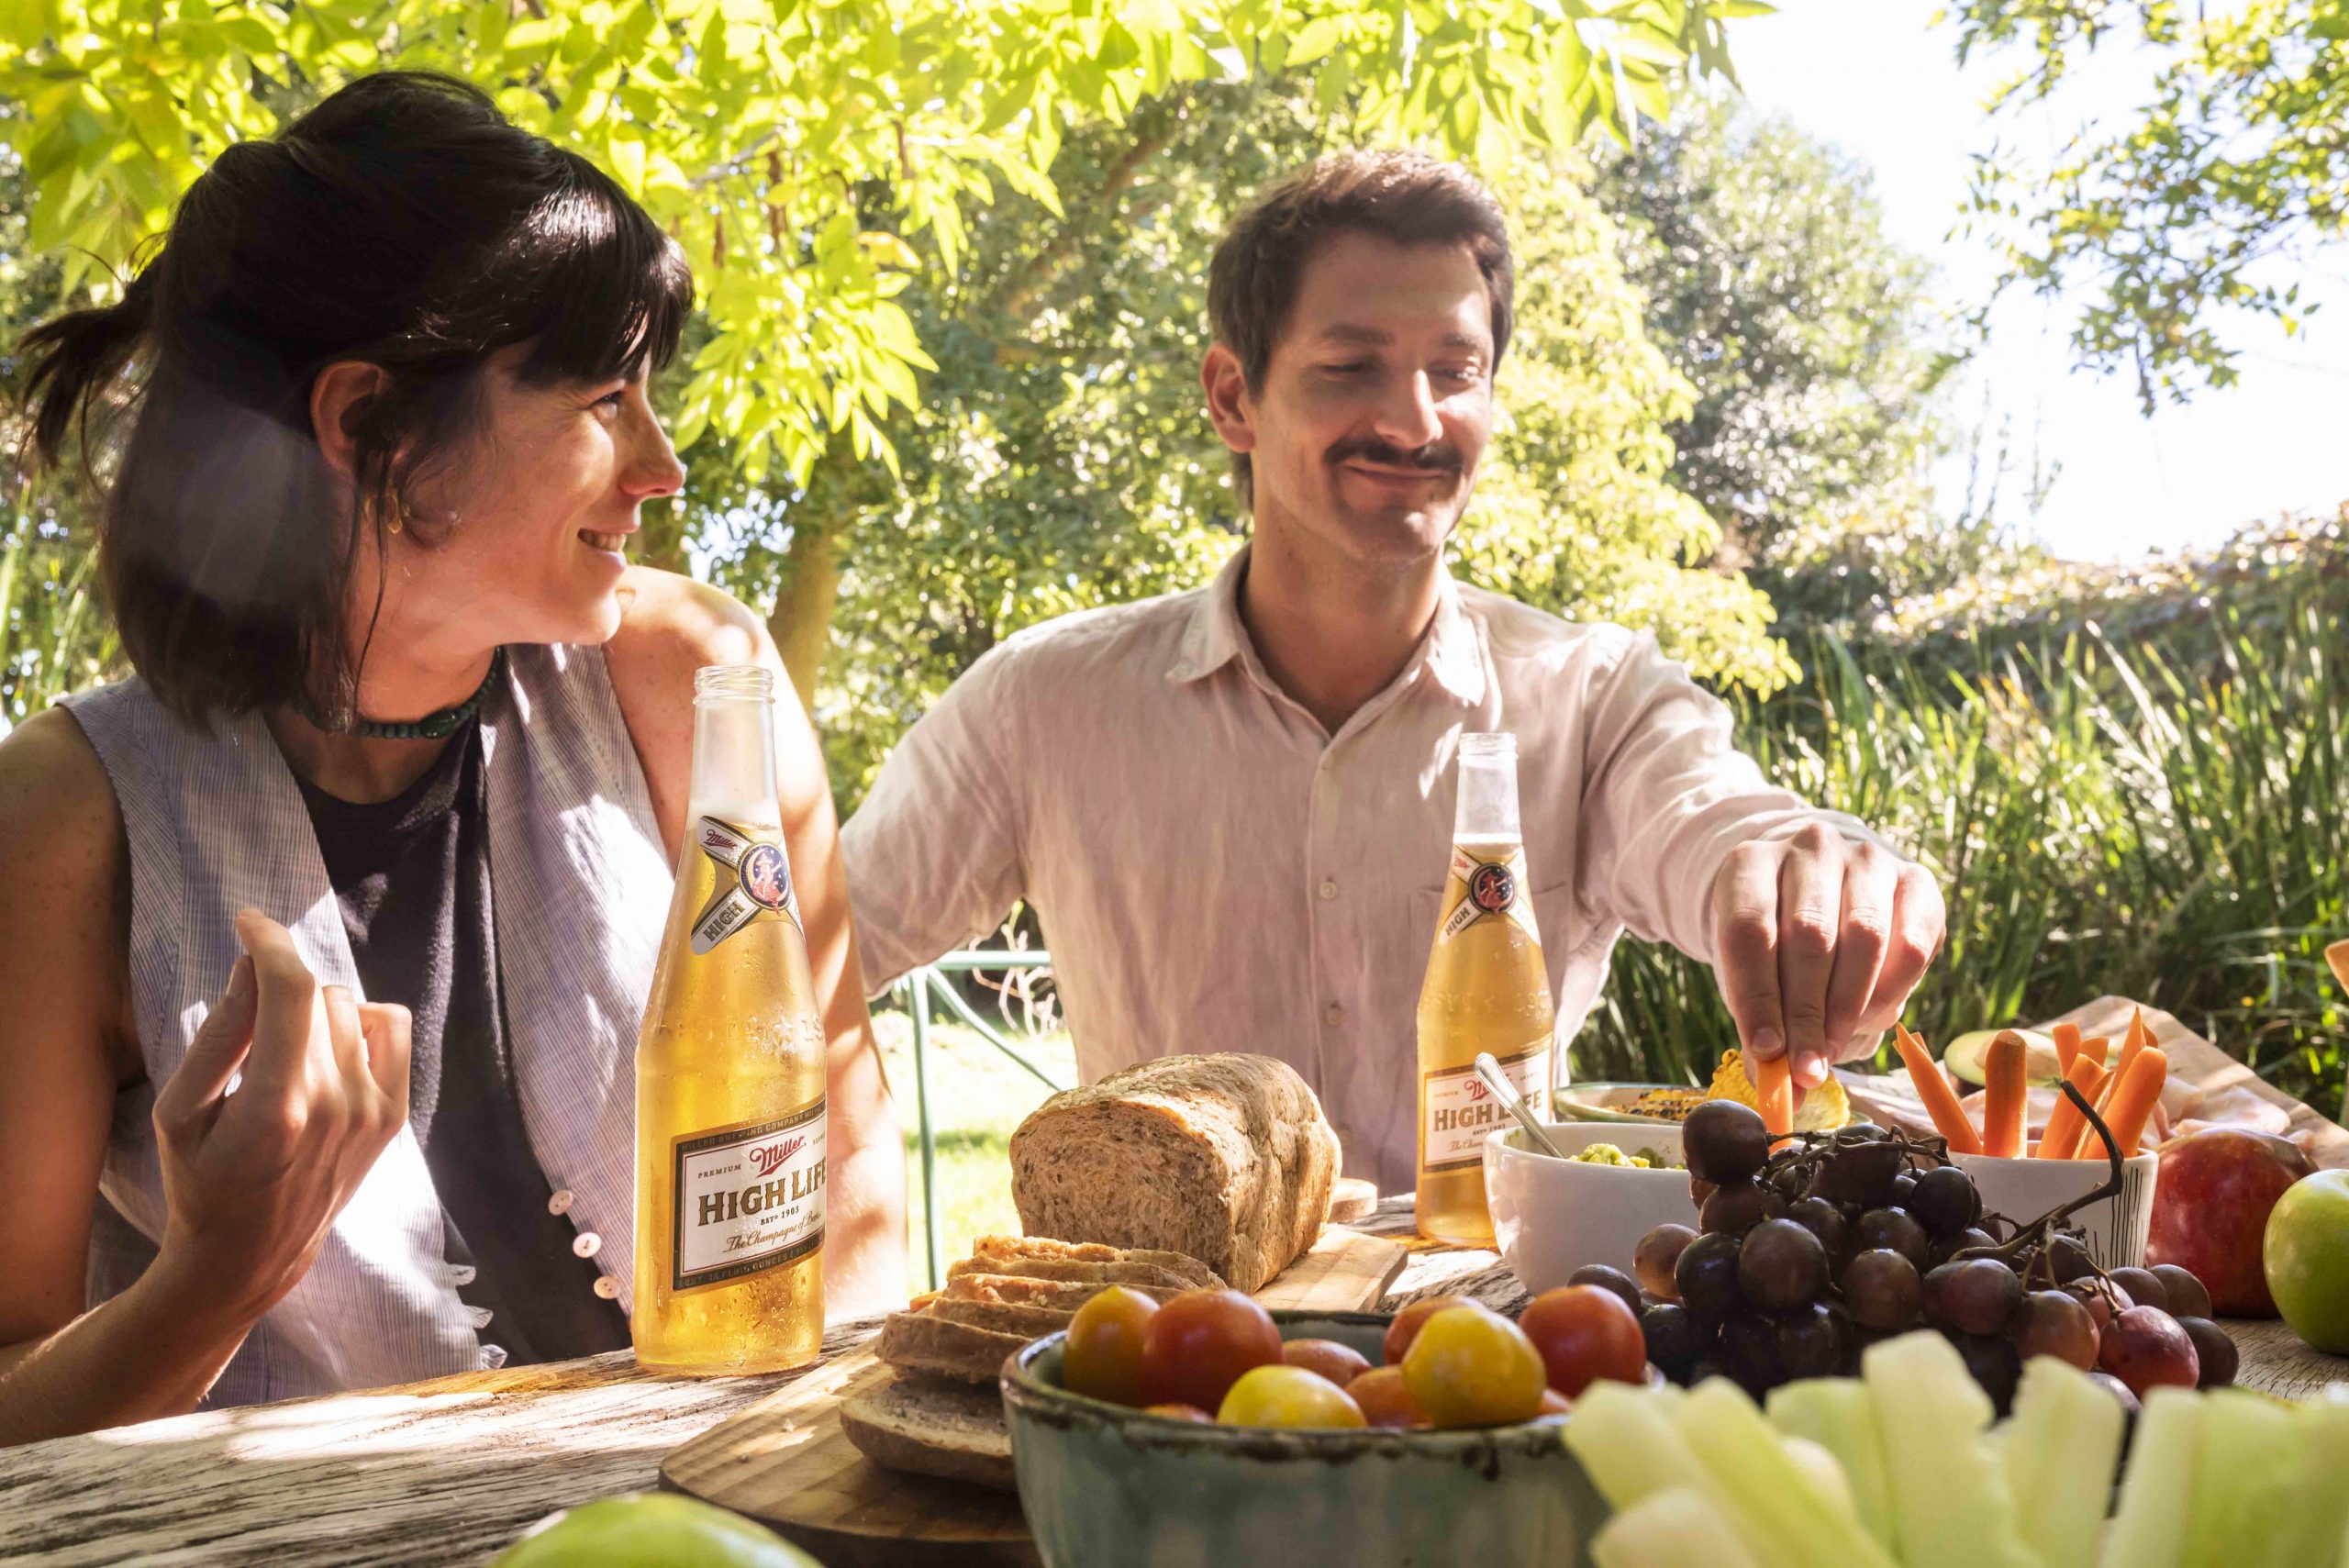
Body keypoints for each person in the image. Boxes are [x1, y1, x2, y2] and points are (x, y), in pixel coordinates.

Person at [0, 72, 905, 1443]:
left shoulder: (693, 684)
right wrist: (213, 1280)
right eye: (608, 397)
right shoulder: (68, 821)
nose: (661, 467)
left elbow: (848, 1165)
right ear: (368, 425)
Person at [842, 151, 1945, 1194]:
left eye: (1455, 370)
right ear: (1233, 396)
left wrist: (1802, 865)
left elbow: (1713, 823)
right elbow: (808, 956)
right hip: (1160, 1361)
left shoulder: (1590, 696)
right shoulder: (1044, 702)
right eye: (1351, 365)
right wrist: (849, 1210)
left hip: (1506, 1353)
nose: (1414, 420)